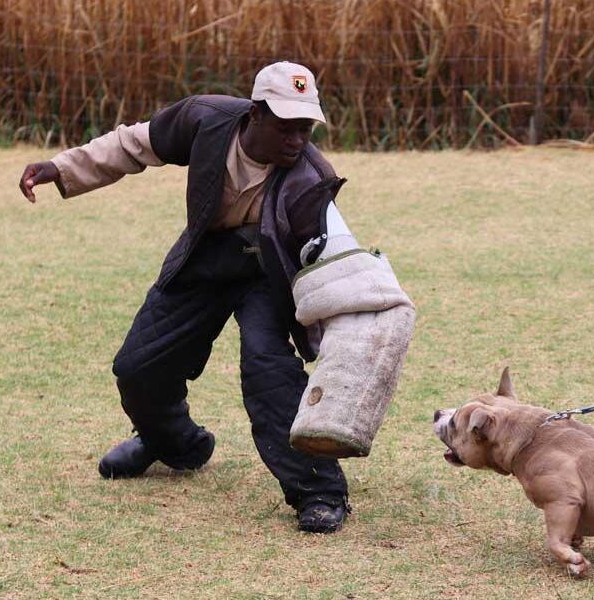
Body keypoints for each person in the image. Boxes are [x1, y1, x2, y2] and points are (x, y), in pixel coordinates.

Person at [18, 61, 358, 534]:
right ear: (255, 114)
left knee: (268, 370)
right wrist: (62, 166)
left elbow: (333, 259)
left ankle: (319, 491)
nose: (297, 141)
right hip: (205, 257)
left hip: (268, 276)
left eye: (306, 129)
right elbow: (132, 144)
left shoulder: (311, 178)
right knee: (138, 368)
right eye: (286, 127)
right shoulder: (207, 120)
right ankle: (174, 443)